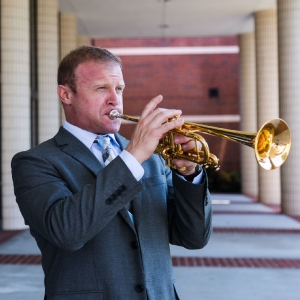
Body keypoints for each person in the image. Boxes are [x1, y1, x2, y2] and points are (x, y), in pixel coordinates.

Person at [11, 46, 212, 300]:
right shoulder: (35, 162)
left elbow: (193, 238)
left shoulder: (152, 158)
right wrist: (133, 156)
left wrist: (188, 173)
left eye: (119, 89)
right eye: (101, 88)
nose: (114, 99)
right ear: (66, 94)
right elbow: (67, 232)